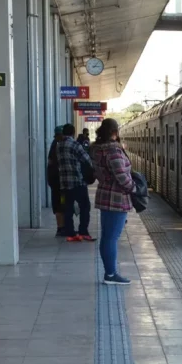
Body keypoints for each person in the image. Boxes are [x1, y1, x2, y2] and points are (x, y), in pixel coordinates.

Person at [90, 118, 134, 285]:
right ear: (115, 132)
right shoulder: (113, 151)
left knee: (107, 237)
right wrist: (133, 188)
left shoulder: (96, 150)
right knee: (111, 238)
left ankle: (109, 272)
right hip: (116, 197)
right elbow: (121, 175)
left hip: (104, 194)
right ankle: (110, 274)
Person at [57, 123, 95, 242]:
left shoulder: (59, 145)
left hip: (64, 184)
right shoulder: (74, 144)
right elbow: (87, 160)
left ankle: (71, 233)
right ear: (73, 132)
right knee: (85, 207)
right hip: (77, 182)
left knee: (68, 208)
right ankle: (83, 231)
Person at [47, 125, 66, 236]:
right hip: (59, 183)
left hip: (55, 182)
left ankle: (61, 227)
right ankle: (61, 227)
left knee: (59, 204)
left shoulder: (55, 144)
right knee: (61, 204)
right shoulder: (58, 145)